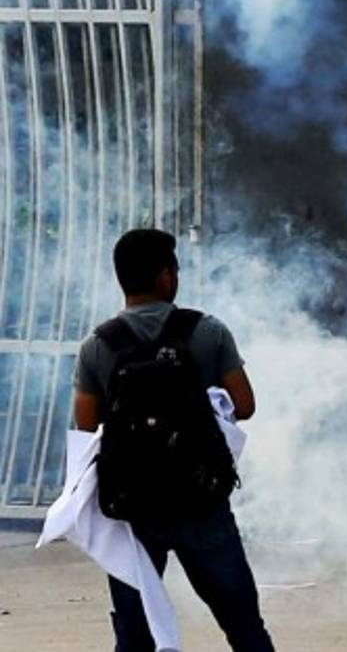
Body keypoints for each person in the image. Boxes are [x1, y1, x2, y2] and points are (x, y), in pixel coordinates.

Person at [73, 229, 274, 652]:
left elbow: (87, 424)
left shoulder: (98, 345)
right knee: (243, 624)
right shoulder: (207, 331)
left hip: (132, 506)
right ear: (166, 277)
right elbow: (245, 404)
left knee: (134, 633)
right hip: (200, 498)